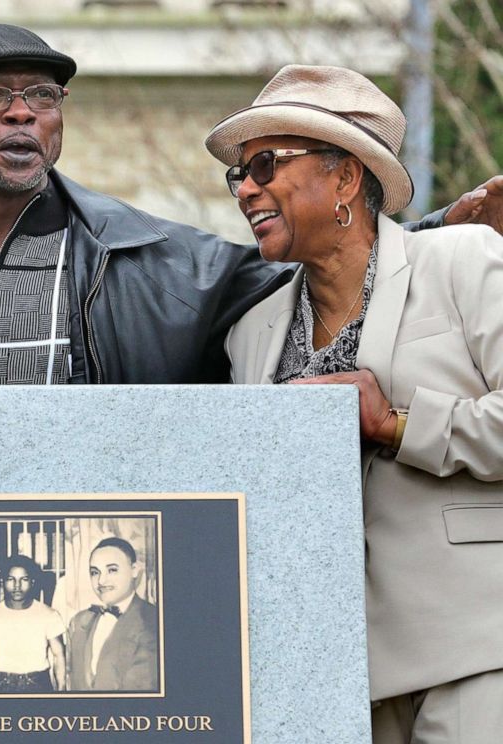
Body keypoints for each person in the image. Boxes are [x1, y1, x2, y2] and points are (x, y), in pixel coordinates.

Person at [0, 23, 503, 387]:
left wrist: (437, 227)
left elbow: (313, 263)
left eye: (42, 96)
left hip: (78, 549)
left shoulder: (152, 260)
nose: (23, 112)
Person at [208, 65, 503, 744]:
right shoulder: (251, 335)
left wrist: (398, 424)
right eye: (239, 175)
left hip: (475, 647)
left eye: (266, 164)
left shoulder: (461, 261)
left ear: (345, 179)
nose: (246, 188)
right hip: (333, 671)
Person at [67, 537, 159, 692]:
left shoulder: (154, 621)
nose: (101, 581)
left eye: (112, 570)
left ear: (134, 570)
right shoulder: (79, 621)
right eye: (95, 572)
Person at [0, 555, 65, 693]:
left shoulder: (49, 614)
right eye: (11, 579)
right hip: (1, 683)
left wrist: (61, 689)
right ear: (3, 582)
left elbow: (59, 654)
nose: (17, 586)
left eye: (24, 579)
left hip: (38, 683)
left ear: (32, 582)